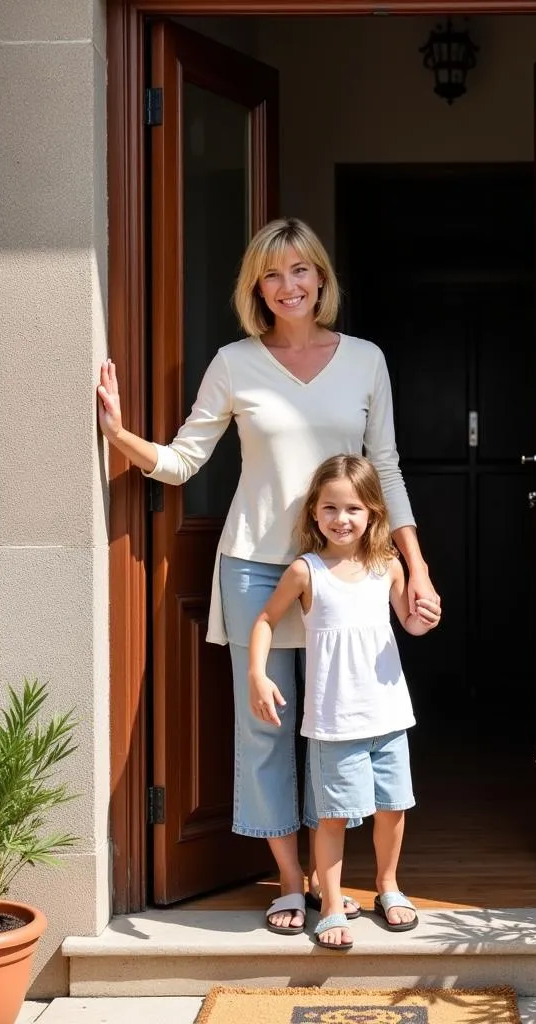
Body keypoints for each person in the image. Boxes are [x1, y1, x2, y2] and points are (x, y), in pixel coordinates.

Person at [95, 218, 441, 935]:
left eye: (301, 271)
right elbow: (186, 459)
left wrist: (415, 565)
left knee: (338, 727)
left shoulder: (366, 360)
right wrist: (119, 435)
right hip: (255, 567)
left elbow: (387, 470)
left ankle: (343, 881)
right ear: (257, 288)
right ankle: (291, 883)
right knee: (266, 731)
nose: (289, 286)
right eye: (273, 275)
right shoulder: (233, 363)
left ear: (322, 278)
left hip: (349, 572)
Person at [249, 454, 427, 950]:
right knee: (332, 818)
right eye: (330, 508)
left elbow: (406, 622)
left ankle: (387, 886)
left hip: (389, 715)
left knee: (393, 808)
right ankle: (329, 904)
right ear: (313, 513)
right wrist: (257, 674)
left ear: (372, 512)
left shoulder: (386, 566)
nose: (341, 519)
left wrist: (422, 619)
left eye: (352, 508)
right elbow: (265, 620)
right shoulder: (307, 572)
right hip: (333, 722)